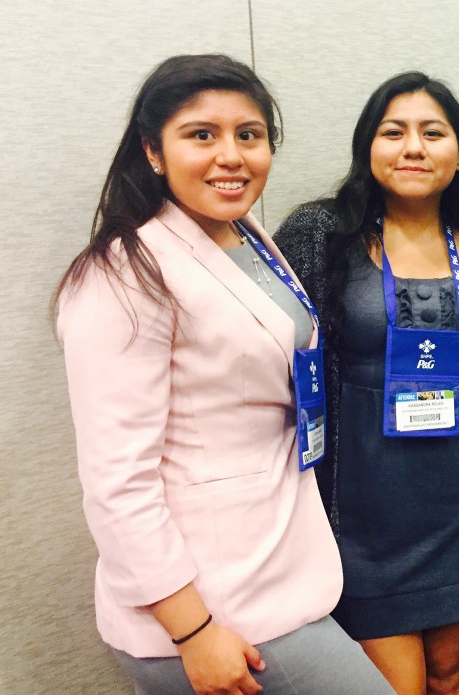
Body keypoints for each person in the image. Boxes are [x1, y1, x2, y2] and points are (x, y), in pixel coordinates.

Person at [55, 54, 393, 695]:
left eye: (250, 134)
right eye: (201, 135)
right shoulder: (123, 276)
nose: (231, 155)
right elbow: (116, 483)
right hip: (210, 606)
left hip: (273, 567)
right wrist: (193, 632)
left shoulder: (244, 235)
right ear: (154, 152)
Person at [274, 72, 459, 695]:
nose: (414, 147)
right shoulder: (319, 234)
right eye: (394, 132)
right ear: (368, 147)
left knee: (445, 676)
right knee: (396, 686)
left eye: (433, 133)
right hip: (364, 507)